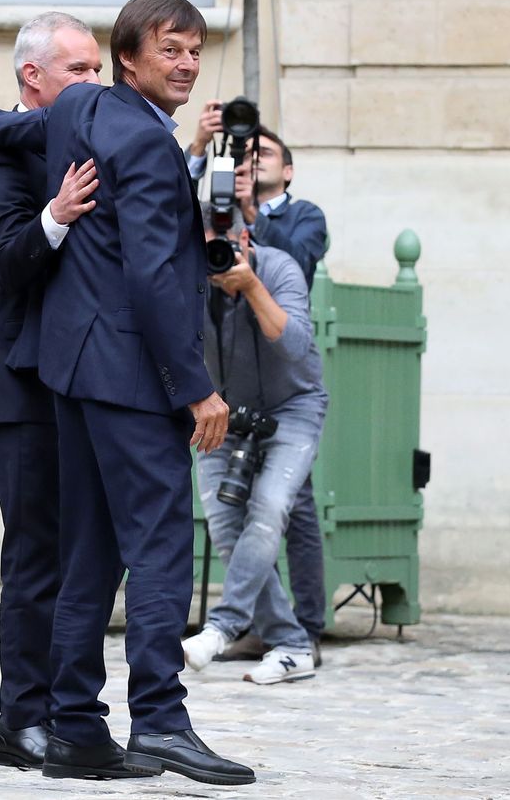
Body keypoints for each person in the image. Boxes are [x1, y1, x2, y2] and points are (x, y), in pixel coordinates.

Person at [0, 0, 255, 787]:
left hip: (71, 375)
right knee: (159, 546)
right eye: (171, 50)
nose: (189, 64)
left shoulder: (80, 113)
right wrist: (197, 389)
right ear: (131, 59)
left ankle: (76, 729)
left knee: (88, 555)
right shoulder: (146, 142)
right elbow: (154, 278)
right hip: (128, 378)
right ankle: (160, 719)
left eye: (196, 51)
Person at [0, 11, 102, 771]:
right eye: (79, 70)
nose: (94, 82)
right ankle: (21, 724)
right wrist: (55, 215)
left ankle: (71, 715)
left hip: (82, 387)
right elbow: (8, 266)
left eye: (96, 68)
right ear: (34, 78)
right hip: (20, 393)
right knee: (36, 560)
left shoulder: (78, 147)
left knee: (80, 559)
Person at [187, 108, 328, 659]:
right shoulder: (190, 272)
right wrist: (198, 148)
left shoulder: (286, 247)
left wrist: (248, 282)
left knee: (275, 509)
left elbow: (295, 346)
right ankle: (288, 639)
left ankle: (227, 626)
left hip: (291, 400)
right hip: (226, 404)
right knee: (228, 523)